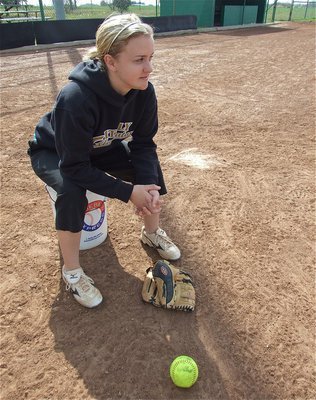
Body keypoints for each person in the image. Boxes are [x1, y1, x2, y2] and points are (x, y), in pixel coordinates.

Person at [27, 13, 181, 309]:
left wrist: (145, 187)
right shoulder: (76, 98)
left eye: (151, 57)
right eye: (138, 60)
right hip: (54, 152)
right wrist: (127, 193)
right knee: (71, 190)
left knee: (148, 171)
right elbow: (73, 166)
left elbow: (144, 144)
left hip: (99, 147)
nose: (148, 68)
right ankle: (72, 272)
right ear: (110, 61)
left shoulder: (144, 92)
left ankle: (152, 233)